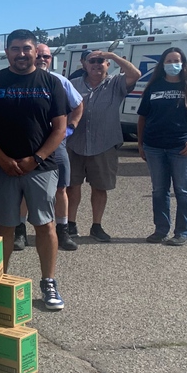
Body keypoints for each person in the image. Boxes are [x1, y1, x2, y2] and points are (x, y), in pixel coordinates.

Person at [0, 29, 68, 310]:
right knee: (4, 225)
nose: (21, 54)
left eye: (26, 48)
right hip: (4, 167)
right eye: (15, 49)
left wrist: (37, 158)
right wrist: (1, 157)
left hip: (41, 168)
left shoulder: (51, 84)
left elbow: (60, 128)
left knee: (44, 224)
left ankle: (48, 282)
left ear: (35, 51)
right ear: (7, 52)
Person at [137, 47, 187, 246]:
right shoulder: (153, 88)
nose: (172, 65)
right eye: (168, 61)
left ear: (183, 64)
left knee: (182, 191)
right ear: (162, 64)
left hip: (182, 148)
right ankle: (161, 230)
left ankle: (183, 232)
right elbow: (142, 118)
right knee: (159, 190)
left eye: (176, 61)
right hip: (154, 147)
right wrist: (141, 144)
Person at [66, 48, 140, 242]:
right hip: (74, 144)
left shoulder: (116, 83)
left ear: (107, 64)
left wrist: (113, 56)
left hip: (104, 144)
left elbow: (135, 74)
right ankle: (70, 224)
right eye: (92, 61)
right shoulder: (72, 85)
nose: (97, 64)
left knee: (100, 187)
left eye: (101, 61)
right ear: (84, 64)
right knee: (72, 186)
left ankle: (97, 226)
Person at [15, 44, 84, 253]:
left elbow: (78, 105)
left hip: (56, 143)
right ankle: (20, 230)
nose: (42, 59)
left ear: (51, 59)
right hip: (28, 143)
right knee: (25, 190)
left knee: (61, 187)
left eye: (46, 56)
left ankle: (62, 229)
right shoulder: (21, 80)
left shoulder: (59, 81)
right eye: (39, 55)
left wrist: (71, 127)